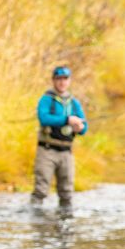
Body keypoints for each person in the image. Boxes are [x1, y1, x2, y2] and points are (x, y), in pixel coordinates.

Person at [31, 66, 88, 212]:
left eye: (65, 79)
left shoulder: (74, 103)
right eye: (58, 79)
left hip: (66, 152)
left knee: (67, 192)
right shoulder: (46, 99)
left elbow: (84, 126)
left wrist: (80, 128)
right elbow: (44, 118)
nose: (62, 82)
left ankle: (65, 222)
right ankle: (36, 220)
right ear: (53, 81)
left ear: (69, 81)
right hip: (47, 150)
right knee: (41, 189)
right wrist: (67, 120)